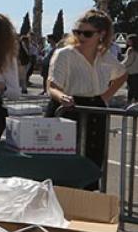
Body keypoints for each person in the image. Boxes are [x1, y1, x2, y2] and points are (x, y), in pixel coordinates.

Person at [48, 10, 127, 182]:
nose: (80, 36)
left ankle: (87, 202)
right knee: (64, 167)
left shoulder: (105, 56)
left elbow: (122, 74)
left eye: (87, 33)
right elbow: (52, 86)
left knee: (93, 161)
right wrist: (61, 97)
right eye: (77, 32)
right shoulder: (65, 54)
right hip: (68, 110)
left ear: (101, 34)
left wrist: (105, 97)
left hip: (95, 111)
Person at [125, 35, 138, 103]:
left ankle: (128, 104)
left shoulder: (130, 50)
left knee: (131, 89)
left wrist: (119, 66)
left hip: (131, 72)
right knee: (136, 89)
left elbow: (127, 62)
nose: (127, 41)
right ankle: (135, 103)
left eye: (128, 40)